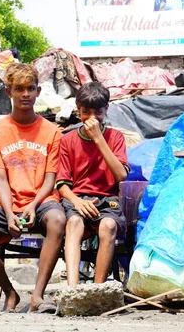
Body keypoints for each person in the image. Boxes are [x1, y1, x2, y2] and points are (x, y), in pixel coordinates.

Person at [0, 63, 66, 313]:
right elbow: (1, 179)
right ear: (8, 92)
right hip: (5, 203)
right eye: (18, 89)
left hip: (41, 200)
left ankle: (37, 296)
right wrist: (9, 213)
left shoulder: (52, 132)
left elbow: (50, 179)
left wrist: (33, 205)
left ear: (38, 91)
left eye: (29, 88)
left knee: (58, 219)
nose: (24, 94)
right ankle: (9, 292)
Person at [56, 82, 129, 285]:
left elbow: (121, 175)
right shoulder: (68, 140)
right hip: (77, 200)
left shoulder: (115, 137)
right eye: (86, 112)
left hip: (107, 200)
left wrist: (98, 138)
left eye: (97, 112)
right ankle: (72, 288)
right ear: (78, 110)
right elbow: (62, 183)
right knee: (73, 223)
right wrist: (77, 202)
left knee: (107, 226)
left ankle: (97, 288)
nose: (91, 118)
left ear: (106, 110)